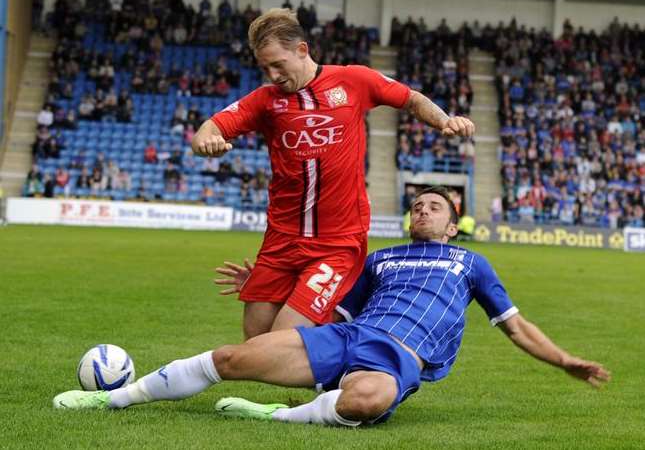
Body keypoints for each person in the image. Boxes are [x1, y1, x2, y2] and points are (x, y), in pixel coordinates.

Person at [53, 186, 610, 427]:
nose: (422, 210)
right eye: (417, 205)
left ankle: (280, 416)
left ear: (453, 221)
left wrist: (564, 361)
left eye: (434, 206)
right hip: (347, 337)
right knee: (233, 356)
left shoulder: (471, 265)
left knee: (367, 398)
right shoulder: (379, 259)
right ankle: (113, 402)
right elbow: (329, 306)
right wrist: (265, 283)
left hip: (397, 357)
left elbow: (516, 327)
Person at [191, 8, 475, 339]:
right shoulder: (265, 101)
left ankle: (343, 377)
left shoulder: (354, 80)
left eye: (278, 64)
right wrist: (206, 143)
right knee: (256, 339)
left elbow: (410, 99)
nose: (272, 75)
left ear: (302, 50)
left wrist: (443, 120)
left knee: (281, 342)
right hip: (281, 239)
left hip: (336, 241)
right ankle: (330, 368)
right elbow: (208, 130)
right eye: (264, 67)